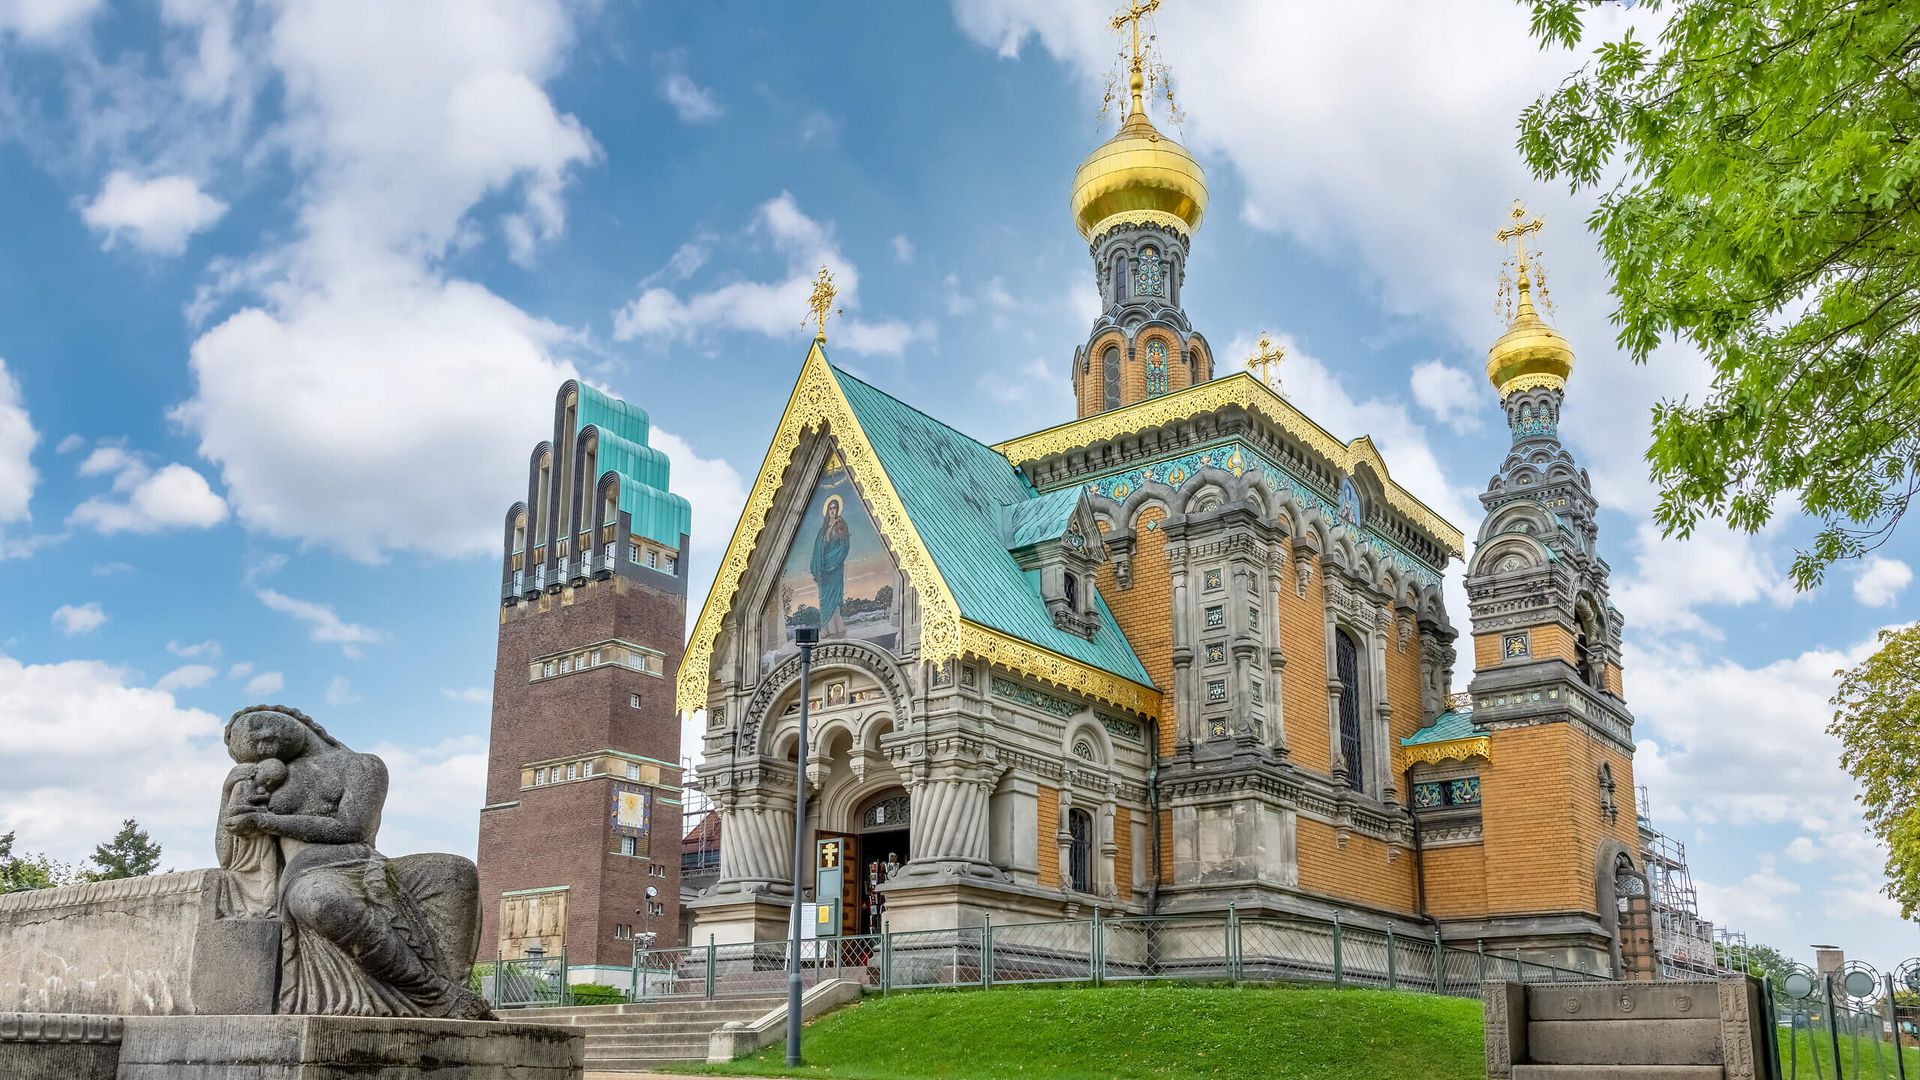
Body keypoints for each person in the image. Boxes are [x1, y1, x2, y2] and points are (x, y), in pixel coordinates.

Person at [219, 705, 492, 1019]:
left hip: (368, 862)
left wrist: (267, 821)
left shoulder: (363, 765)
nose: (264, 736)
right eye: (254, 746)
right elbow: (229, 856)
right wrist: (229, 796)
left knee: (455, 871)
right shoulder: (264, 780)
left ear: (292, 715)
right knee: (321, 900)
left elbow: (352, 828)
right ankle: (434, 993)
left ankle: (454, 985)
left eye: (260, 723)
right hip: (309, 871)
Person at [809, 494, 851, 637]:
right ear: (827, 510)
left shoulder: (840, 526)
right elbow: (818, 548)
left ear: (838, 509)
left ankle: (835, 627)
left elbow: (844, 546)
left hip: (835, 568)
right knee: (824, 598)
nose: (833, 510)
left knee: (833, 596)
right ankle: (826, 628)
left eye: (835, 508)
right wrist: (821, 565)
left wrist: (835, 561)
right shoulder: (822, 530)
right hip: (824, 569)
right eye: (830, 508)